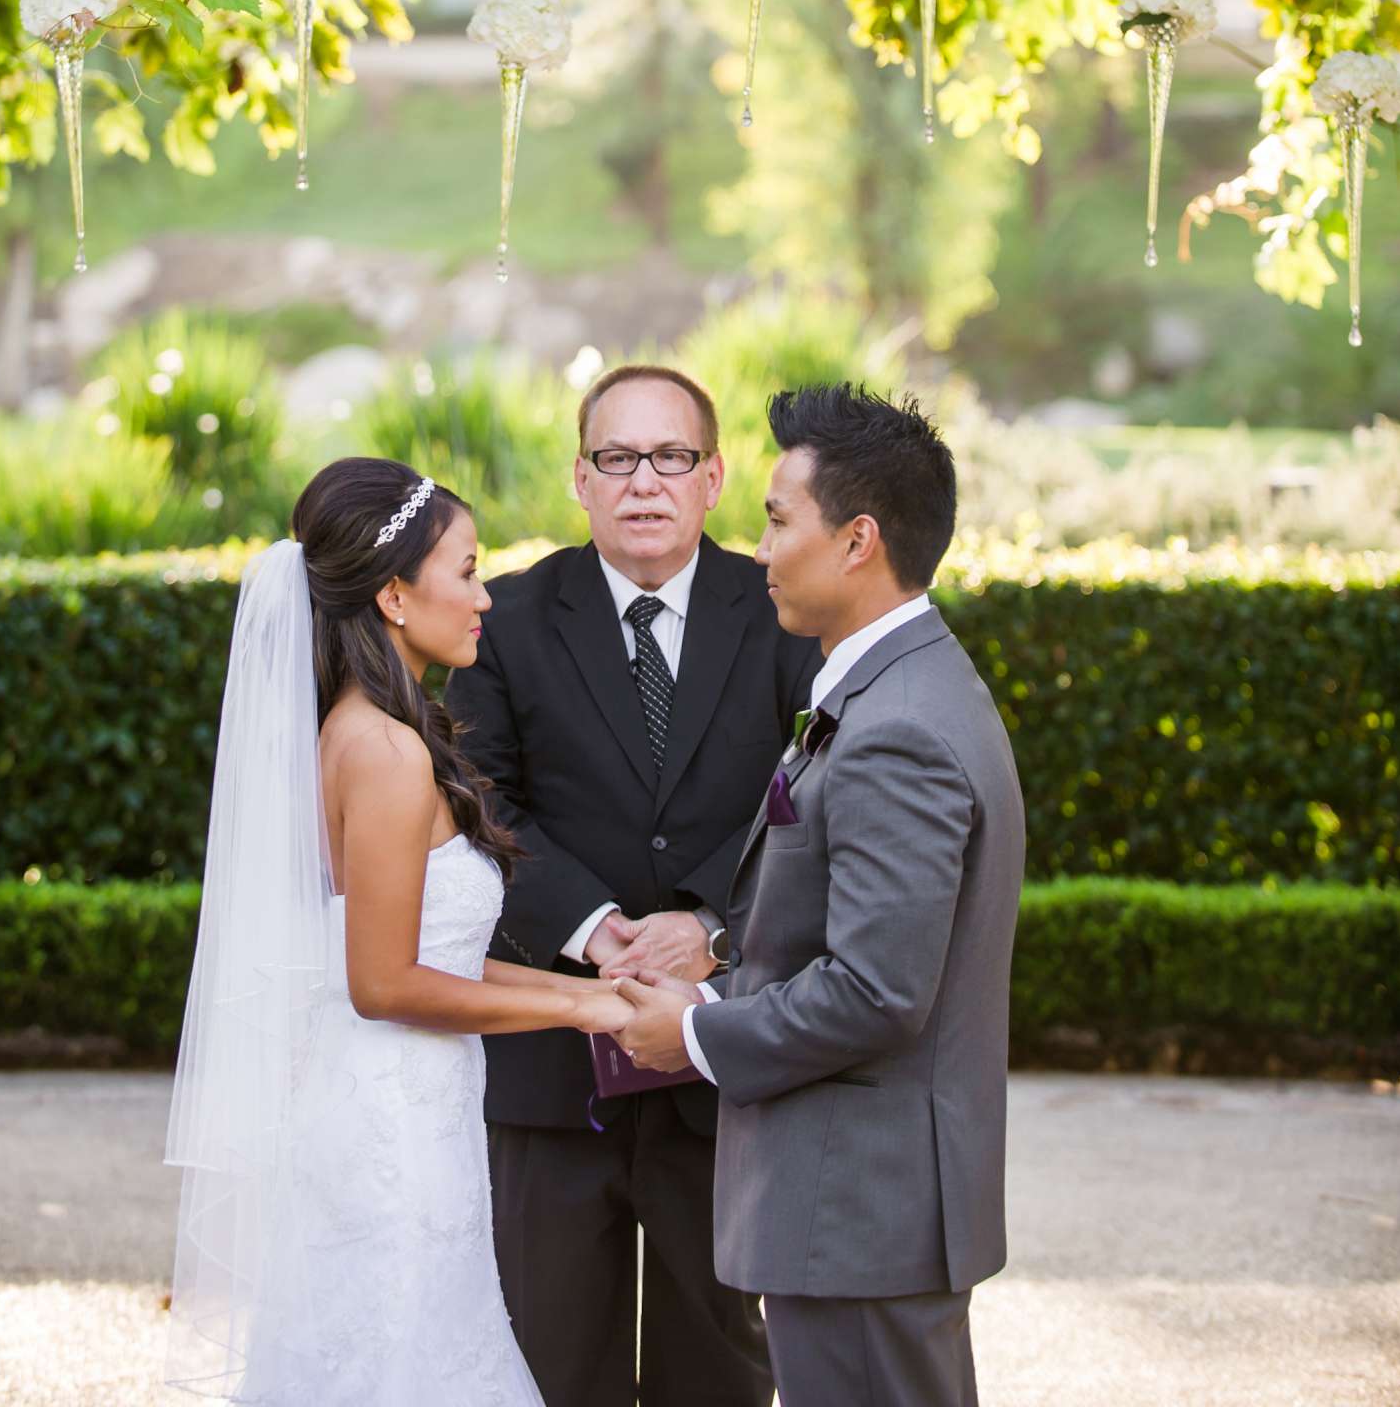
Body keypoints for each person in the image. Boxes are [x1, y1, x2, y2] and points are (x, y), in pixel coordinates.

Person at [165, 456, 631, 1407]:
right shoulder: (382, 750)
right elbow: (382, 984)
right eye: (466, 571)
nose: (486, 598)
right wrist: (576, 1010)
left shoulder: (368, 729)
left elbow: (437, 961)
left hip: (412, 1108)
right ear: (391, 595)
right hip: (388, 1131)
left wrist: (589, 995)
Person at [617, 385, 1026, 1407]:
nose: (757, 551)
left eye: (776, 520)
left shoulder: (899, 726)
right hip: (858, 1213)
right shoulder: (896, 686)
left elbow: (880, 990)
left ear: (858, 541)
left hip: (861, 1213)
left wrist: (697, 1037)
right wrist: (711, 973)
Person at [445, 363, 819, 1407]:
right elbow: (477, 797)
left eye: (671, 457)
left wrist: (709, 918)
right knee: (553, 1359)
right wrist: (598, 926)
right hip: (553, 1069)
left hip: (722, 1061)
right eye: (617, 457)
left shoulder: (783, 608)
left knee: (723, 1365)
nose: (643, 481)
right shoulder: (509, 618)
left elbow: (814, 784)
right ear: (580, 476)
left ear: (713, 478)